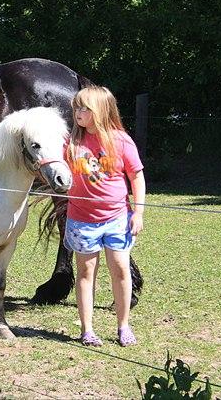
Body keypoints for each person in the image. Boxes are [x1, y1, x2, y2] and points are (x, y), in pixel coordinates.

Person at [63, 86, 146, 347]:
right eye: (77, 107)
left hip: (117, 219)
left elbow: (137, 176)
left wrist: (139, 212)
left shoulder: (120, 140)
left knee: (121, 270)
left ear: (100, 111)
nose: (78, 112)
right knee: (86, 273)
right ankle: (87, 330)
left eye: (85, 108)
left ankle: (123, 326)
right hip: (81, 221)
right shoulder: (71, 143)